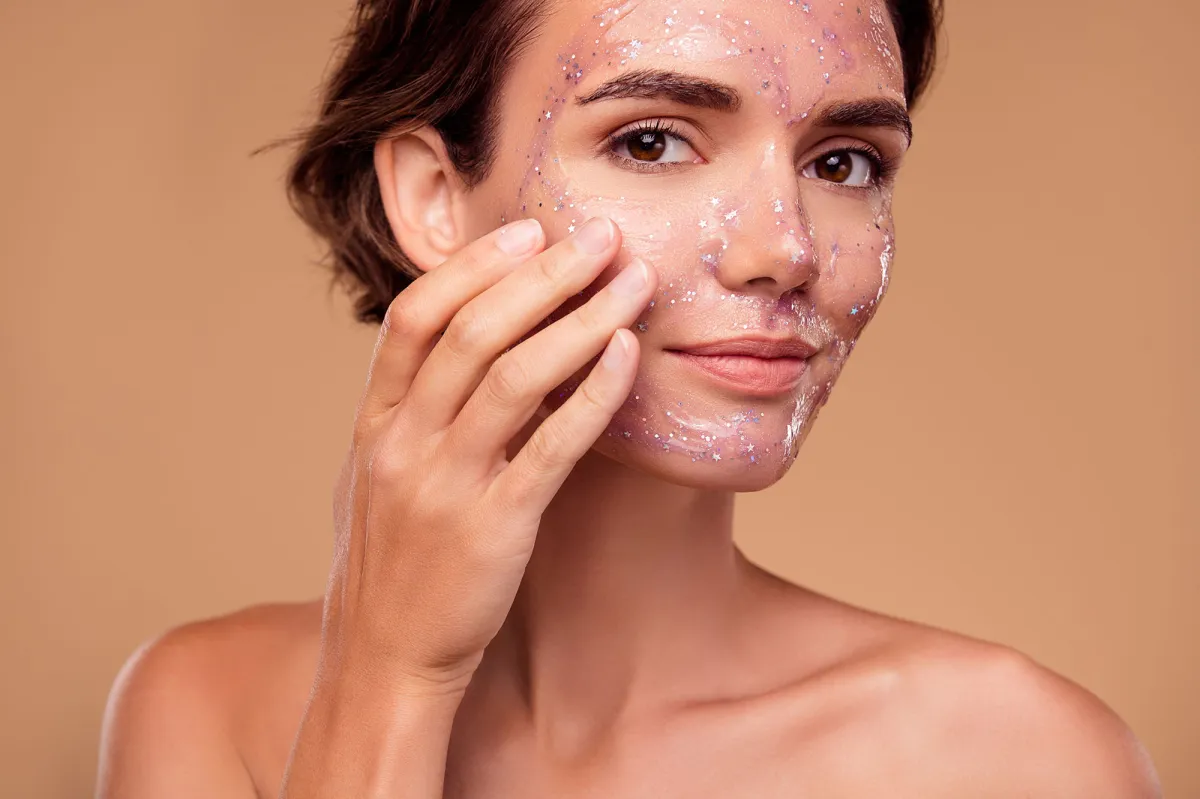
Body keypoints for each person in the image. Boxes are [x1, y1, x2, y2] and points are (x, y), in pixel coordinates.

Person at [94, 0, 1163, 795]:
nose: (783, 249)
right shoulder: (210, 710)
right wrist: (389, 687)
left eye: (844, 160)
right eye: (651, 140)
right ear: (433, 200)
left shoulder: (1017, 762)